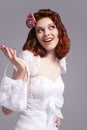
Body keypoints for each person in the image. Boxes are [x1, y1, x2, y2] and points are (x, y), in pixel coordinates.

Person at [0, 9, 70, 130]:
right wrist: (21, 71)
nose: (46, 33)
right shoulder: (28, 58)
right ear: (35, 35)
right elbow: (6, 110)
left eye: (51, 27)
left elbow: (51, 97)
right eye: (40, 30)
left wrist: (55, 114)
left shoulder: (60, 60)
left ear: (59, 30)